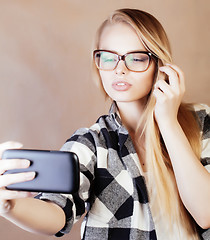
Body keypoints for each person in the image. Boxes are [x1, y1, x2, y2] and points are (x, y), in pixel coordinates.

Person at [0, 8, 209, 240]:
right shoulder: (91, 144)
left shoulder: (200, 120)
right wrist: (10, 207)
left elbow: (206, 213)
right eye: (108, 57)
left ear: (160, 66)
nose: (120, 69)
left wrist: (168, 123)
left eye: (136, 58)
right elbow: (57, 211)